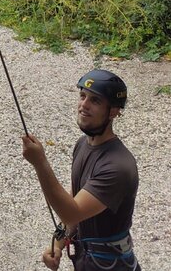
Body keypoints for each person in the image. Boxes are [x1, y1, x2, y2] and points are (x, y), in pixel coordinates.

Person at [22, 69, 141, 271]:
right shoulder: (83, 144)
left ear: (113, 111)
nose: (83, 105)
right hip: (88, 260)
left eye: (95, 101)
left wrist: (40, 163)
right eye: (82, 96)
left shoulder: (118, 167)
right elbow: (75, 201)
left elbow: (72, 213)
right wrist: (58, 242)